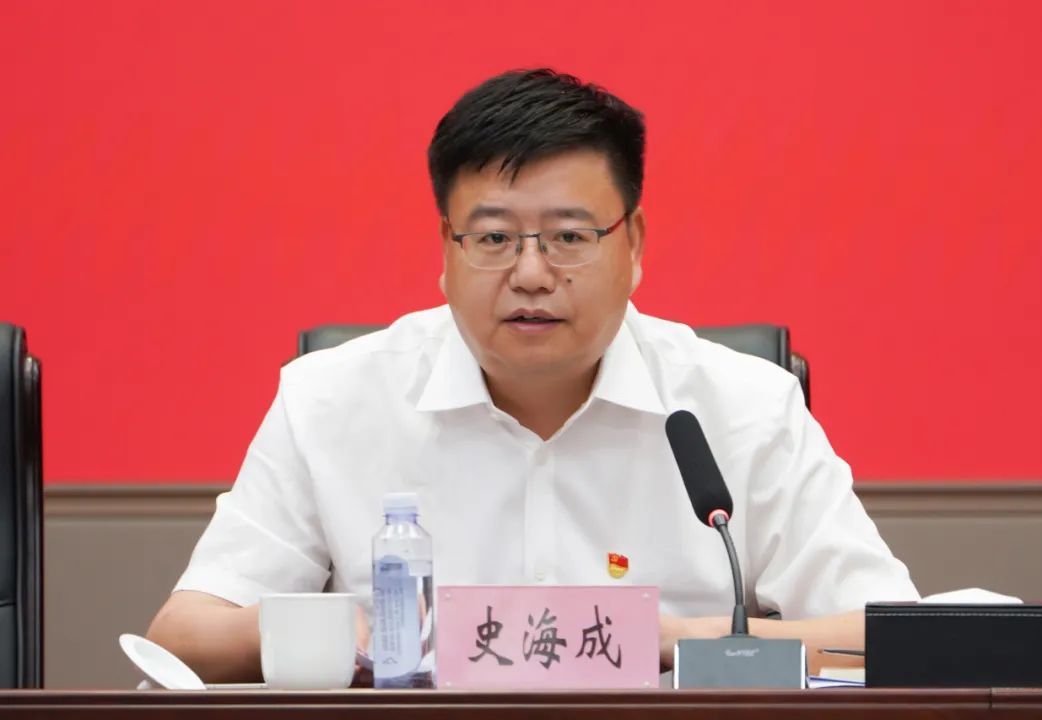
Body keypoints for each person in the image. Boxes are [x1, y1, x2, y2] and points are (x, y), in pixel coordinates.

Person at [147, 68, 918, 683]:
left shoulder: (744, 407)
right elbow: (181, 636)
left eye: (569, 237)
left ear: (633, 244)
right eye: (493, 239)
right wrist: (332, 629)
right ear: (445, 249)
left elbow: (893, 637)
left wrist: (677, 639)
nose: (530, 274)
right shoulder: (331, 401)